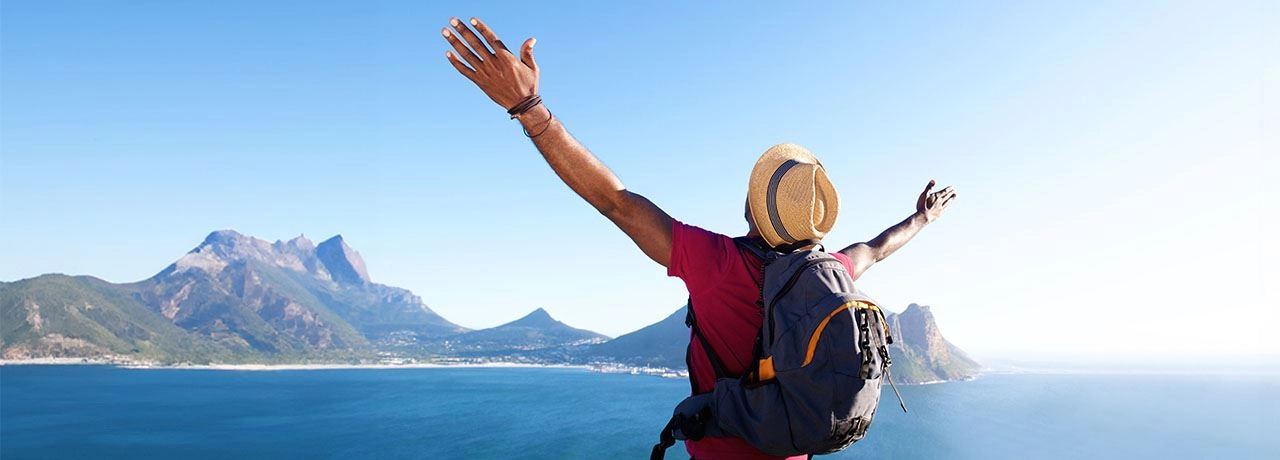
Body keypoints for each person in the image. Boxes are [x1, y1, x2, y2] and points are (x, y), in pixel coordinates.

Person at [441, 17, 957, 460]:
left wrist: (530, 106)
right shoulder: (833, 274)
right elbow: (878, 247)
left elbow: (614, 200)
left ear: (753, 207)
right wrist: (923, 220)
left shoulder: (717, 262)